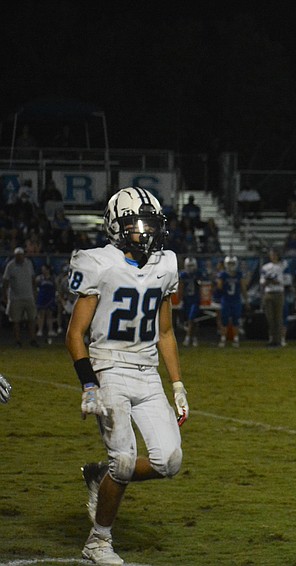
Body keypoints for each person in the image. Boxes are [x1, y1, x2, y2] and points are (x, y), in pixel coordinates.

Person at [67, 186, 188, 565]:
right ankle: (98, 542)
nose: (147, 232)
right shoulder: (99, 263)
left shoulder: (165, 264)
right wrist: (88, 382)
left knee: (169, 461)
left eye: (151, 224)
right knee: (124, 460)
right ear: (116, 228)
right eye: (138, 224)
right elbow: (75, 333)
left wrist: (178, 384)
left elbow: (165, 332)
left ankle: (100, 476)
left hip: (147, 369)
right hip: (109, 366)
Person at [2, 247, 38, 347]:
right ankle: (17, 341)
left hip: (28, 295)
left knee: (32, 319)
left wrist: (34, 292)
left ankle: (33, 339)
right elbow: (5, 281)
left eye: (20, 255)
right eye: (17, 255)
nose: (19, 257)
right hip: (15, 297)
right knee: (16, 320)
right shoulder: (10, 265)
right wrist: (5, 295)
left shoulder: (28, 264)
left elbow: (33, 278)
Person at [260, 247, 289, 347]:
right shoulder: (265, 267)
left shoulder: (282, 266)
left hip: (279, 292)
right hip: (269, 292)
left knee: (278, 318)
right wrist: (269, 281)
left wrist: (276, 281)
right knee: (270, 318)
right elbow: (262, 282)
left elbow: (285, 280)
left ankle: (279, 339)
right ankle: (272, 338)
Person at [217, 255, 247, 347]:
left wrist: (246, 300)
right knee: (224, 320)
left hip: (236, 300)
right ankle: (223, 339)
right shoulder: (223, 275)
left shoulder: (239, 274)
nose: (231, 265)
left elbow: (243, 287)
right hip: (226, 299)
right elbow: (219, 287)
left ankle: (236, 338)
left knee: (236, 320)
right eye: (229, 263)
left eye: (232, 263)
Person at [178, 257, 203, 347]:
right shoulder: (183, 275)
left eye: (192, 265)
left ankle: (188, 338)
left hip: (195, 299)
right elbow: (180, 288)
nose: (190, 267)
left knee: (191, 319)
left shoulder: (198, 274)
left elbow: (202, 287)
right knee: (189, 320)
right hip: (186, 299)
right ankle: (194, 337)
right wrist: (180, 299)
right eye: (189, 266)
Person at [35, 263, 57, 343]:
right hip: (42, 297)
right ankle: (40, 330)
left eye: (44, 269)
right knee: (41, 314)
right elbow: (36, 287)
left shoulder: (53, 278)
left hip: (50, 297)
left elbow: (56, 287)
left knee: (49, 314)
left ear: (48, 270)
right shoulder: (39, 278)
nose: (43, 271)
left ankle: (50, 330)